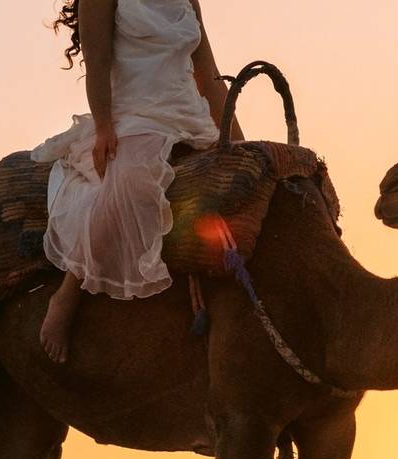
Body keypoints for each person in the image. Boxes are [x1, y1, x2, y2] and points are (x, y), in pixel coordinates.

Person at [31, 0, 244, 363]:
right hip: (136, 115)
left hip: (190, 118)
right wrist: (103, 128)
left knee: (249, 183)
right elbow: (97, 66)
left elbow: (207, 73)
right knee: (133, 185)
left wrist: (241, 144)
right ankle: (68, 292)